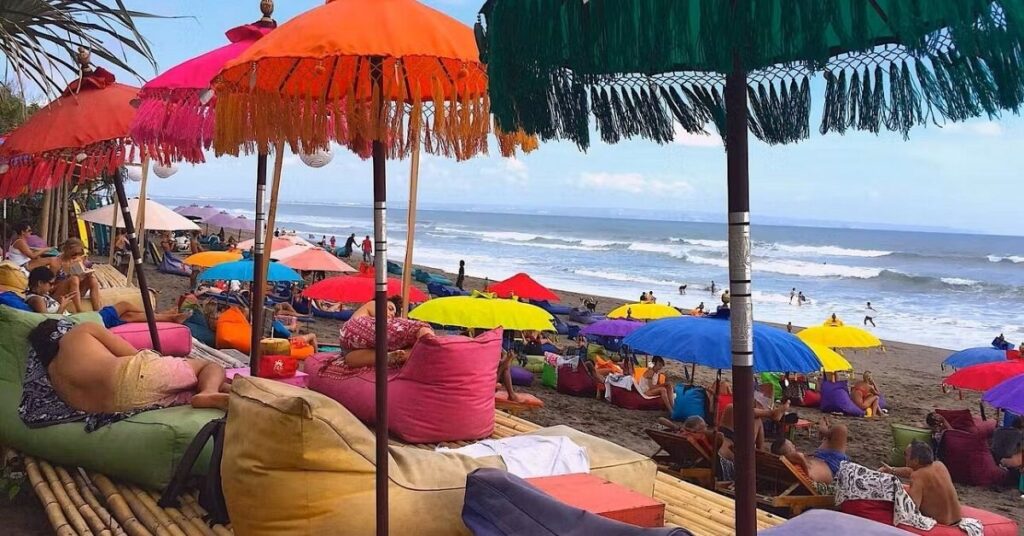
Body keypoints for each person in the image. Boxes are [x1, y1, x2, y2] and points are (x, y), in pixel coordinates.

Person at [27, 319, 228, 413]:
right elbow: (134, 354)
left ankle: (217, 391)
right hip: (134, 375)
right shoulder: (79, 332)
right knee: (208, 367)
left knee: (199, 386)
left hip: (122, 407)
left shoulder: (53, 377)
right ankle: (209, 392)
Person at [879, 441, 962, 526]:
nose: (904, 457)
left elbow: (911, 509)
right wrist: (892, 470)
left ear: (915, 460)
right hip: (957, 520)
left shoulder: (917, 476)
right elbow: (912, 471)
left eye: (906, 454)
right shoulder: (940, 465)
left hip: (941, 526)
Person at [339, 297, 434, 368]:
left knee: (351, 360)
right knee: (415, 328)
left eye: (394, 314)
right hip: (356, 327)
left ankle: (394, 356)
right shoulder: (373, 304)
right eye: (390, 308)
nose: (391, 314)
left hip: (349, 347)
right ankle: (430, 339)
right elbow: (385, 322)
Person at [44, 238, 102, 312]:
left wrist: (84, 274)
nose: (76, 256)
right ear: (67, 250)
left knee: (92, 279)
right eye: (74, 253)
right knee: (74, 279)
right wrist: (68, 280)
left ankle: (97, 310)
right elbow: (50, 288)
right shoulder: (56, 262)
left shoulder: (78, 260)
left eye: (79, 253)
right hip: (59, 294)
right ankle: (79, 310)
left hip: (75, 291)